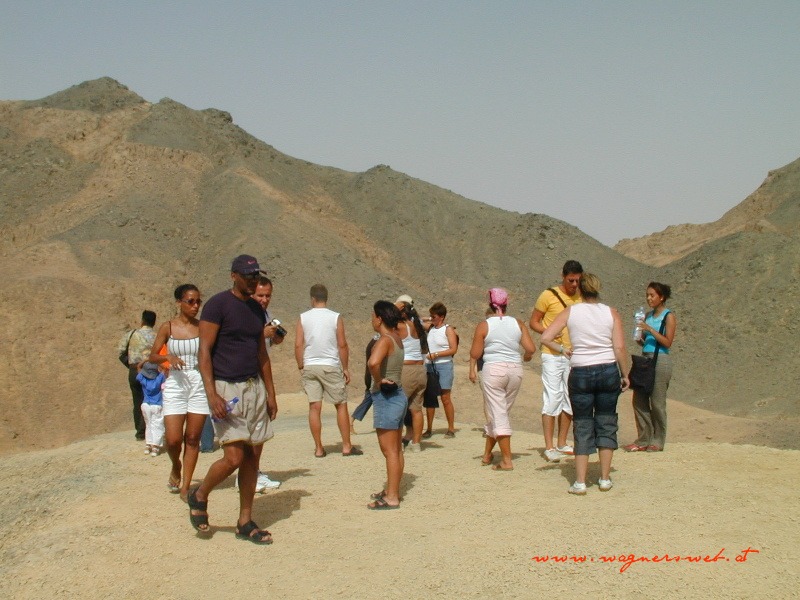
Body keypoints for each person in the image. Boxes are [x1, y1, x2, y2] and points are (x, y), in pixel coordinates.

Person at [188, 255, 278, 544]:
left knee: (252, 456)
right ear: (233, 276)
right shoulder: (217, 305)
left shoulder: (256, 309)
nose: (253, 280)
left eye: (256, 275)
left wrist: (271, 394)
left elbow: (261, 353)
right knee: (234, 457)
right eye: (248, 276)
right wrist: (212, 393)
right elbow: (204, 352)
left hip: (254, 388)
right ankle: (200, 494)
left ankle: (245, 521)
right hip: (228, 389)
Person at [541, 273, 630, 495]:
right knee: (607, 421)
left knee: (582, 422)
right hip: (608, 369)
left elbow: (545, 337)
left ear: (580, 288)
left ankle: (580, 481)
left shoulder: (571, 311)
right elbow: (619, 348)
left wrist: (564, 350)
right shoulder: (611, 313)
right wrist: (625, 373)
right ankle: (605, 478)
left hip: (580, 371)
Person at [147, 284, 209, 499]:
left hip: (198, 382)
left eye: (198, 301)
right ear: (179, 302)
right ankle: (176, 465)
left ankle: (186, 486)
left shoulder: (203, 327)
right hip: (175, 383)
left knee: (192, 438)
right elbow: (152, 356)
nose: (195, 306)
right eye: (190, 301)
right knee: (173, 440)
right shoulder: (168, 327)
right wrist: (167, 358)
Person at [469, 288, 537, 470]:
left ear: (490, 304)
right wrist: (527, 357)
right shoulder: (518, 323)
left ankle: (506, 460)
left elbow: (475, 353)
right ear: (506, 304)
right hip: (515, 370)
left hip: (494, 370)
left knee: (498, 414)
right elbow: (530, 348)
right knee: (499, 413)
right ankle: (487, 454)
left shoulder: (484, 325)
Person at [295, 284, 361, 457]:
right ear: (326, 298)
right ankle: (346, 446)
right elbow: (342, 344)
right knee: (340, 405)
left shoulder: (303, 317)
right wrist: (345, 367)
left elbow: (298, 344)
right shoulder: (335, 317)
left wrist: (301, 364)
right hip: (330, 364)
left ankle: (318, 448)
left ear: (312, 299)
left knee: (314, 407)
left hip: (310, 364)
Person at [529, 260, 584, 462]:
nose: (575, 285)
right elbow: (534, 322)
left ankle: (562, 442)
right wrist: (549, 332)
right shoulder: (548, 295)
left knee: (570, 398)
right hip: (552, 354)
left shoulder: (582, 296)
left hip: (574, 354)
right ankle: (549, 446)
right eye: (571, 280)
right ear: (563, 276)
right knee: (552, 397)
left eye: (578, 281)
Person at [624, 282, 677, 452]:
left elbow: (668, 342)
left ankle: (658, 440)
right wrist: (639, 336)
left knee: (657, 402)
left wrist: (650, 330)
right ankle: (643, 438)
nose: (649, 298)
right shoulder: (647, 315)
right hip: (645, 359)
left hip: (661, 360)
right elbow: (644, 342)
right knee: (639, 399)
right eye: (647, 295)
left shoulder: (668, 316)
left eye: (652, 295)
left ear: (661, 297)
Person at [366, 301, 406, 509]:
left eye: (373, 315)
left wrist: (378, 379)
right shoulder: (397, 338)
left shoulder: (384, 340)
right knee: (397, 449)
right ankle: (393, 489)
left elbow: (373, 363)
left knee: (389, 450)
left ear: (379, 318)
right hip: (399, 395)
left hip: (387, 397)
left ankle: (392, 496)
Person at [248, 276, 285, 490]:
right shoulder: (244, 313)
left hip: (261, 372)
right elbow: (239, 339)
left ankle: (253, 470)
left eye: (268, 295)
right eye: (260, 295)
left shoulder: (264, 314)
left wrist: (274, 337)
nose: (264, 300)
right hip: (246, 374)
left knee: (260, 427)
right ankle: (249, 472)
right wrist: (262, 333)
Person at [395, 296, 428, 452]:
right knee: (416, 409)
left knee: (398, 406)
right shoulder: (417, 325)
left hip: (406, 369)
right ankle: (416, 443)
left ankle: (396, 442)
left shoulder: (400, 326)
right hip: (420, 370)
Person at [118, 310, 157, 440]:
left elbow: (121, 351)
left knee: (138, 400)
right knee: (153, 401)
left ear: (142, 321)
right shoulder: (157, 336)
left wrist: (130, 366)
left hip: (134, 370)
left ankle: (140, 433)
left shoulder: (131, 334)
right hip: (152, 370)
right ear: (154, 322)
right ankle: (151, 431)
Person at [423, 302, 458, 438]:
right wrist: (429, 318)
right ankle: (429, 428)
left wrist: (436, 354)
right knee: (430, 397)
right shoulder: (431, 328)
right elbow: (419, 321)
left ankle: (451, 428)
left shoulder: (448, 330)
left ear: (442, 317)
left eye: (434, 316)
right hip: (430, 365)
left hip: (444, 365)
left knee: (445, 397)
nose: (432, 318)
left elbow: (453, 349)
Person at [136, 362, 166, 456]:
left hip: (145, 404)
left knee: (148, 425)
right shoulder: (159, 378)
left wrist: (146, 360)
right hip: (156, 405)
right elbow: (164, 369)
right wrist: (157, 362)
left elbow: (138, 367)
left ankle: (148, 445)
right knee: (157, 425)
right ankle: (155, 447)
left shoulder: (142, 378)